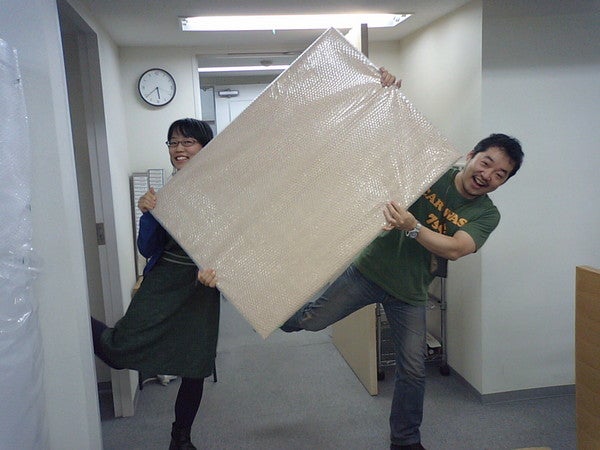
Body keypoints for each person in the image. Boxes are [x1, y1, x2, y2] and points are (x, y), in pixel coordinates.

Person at [280, 69, 525, 450]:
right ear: (470, 155)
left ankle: (405, 440)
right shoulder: (433, 169)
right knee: (312, 322)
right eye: (486, 162)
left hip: (410, 293)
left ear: (503, 182)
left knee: (413, 372)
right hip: (368, 271)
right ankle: (282, 316)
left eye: (500, 174)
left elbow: (456, 248)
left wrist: (413, 227)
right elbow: (389, 144)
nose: (488, 174)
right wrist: (386, 96)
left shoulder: (486, 214)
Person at [91, 118, 219, 450]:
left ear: (205, 147)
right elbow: (148, 248)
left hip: (201, 292)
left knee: (195, 366)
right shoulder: (164, 195)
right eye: (173, 143)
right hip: (163, 284)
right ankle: (74, 316)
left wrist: (217, 269)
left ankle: (181, 439)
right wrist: (147, 212)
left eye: (188, 142)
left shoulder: (221, 192)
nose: (179, 149)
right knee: (117, 350)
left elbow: (232, 244)